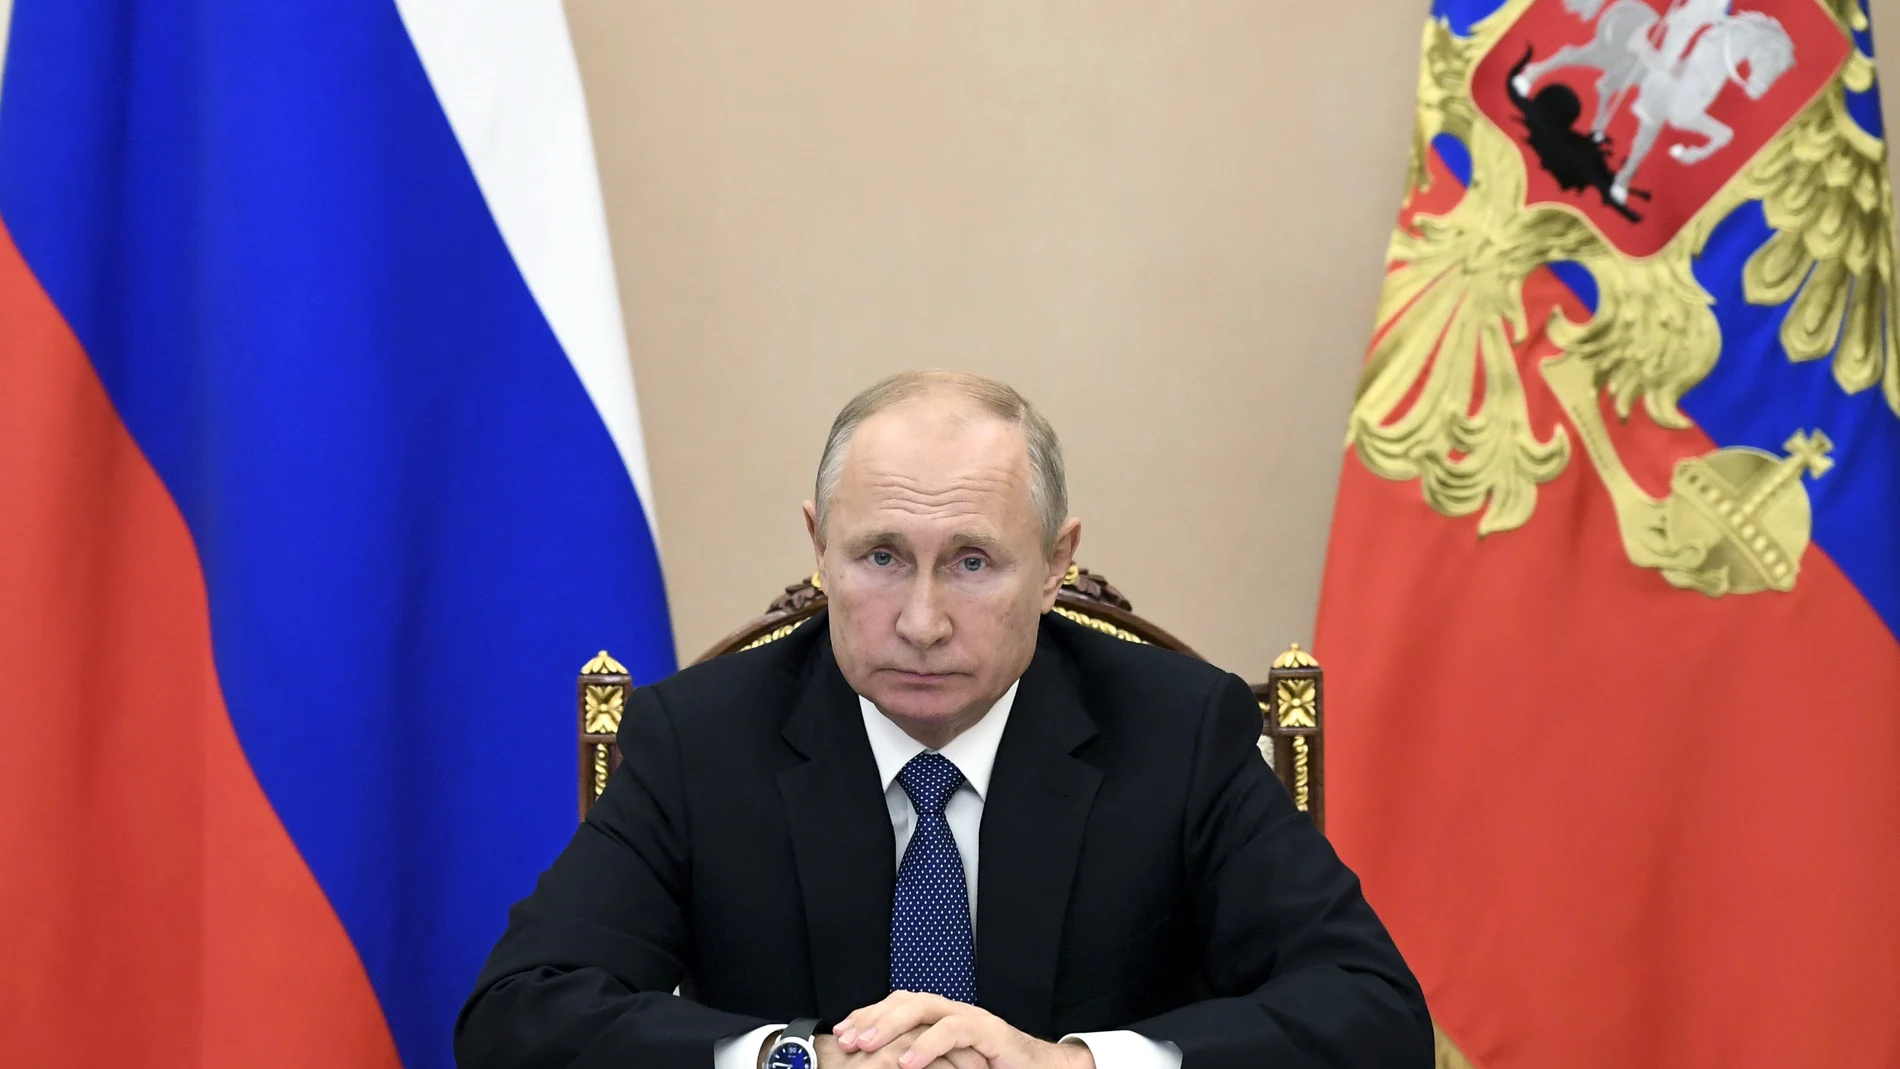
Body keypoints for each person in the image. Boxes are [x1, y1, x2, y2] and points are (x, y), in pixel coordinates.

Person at [455, 371, 1431, 1069]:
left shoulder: (1176, 732)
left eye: (971, 561)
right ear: (818, 547)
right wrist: (802, 1062)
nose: (920, 622)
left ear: (1055, 562)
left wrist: (1078, 1068)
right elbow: (515, 1017)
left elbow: (1372, 1015)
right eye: (880, 556)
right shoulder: (701, 740)